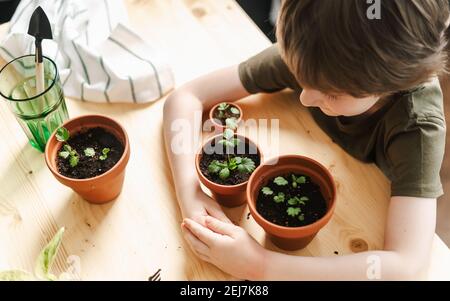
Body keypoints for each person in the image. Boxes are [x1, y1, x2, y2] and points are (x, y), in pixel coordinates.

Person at [163, 0, 449, 280]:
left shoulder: (418, 127)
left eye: (331, 94)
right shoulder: (317, 48)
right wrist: (189, 192)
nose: (305, 97)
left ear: (392, 84)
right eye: (300, 76)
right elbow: (186, 98)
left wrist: (259, 265)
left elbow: (408, 267)